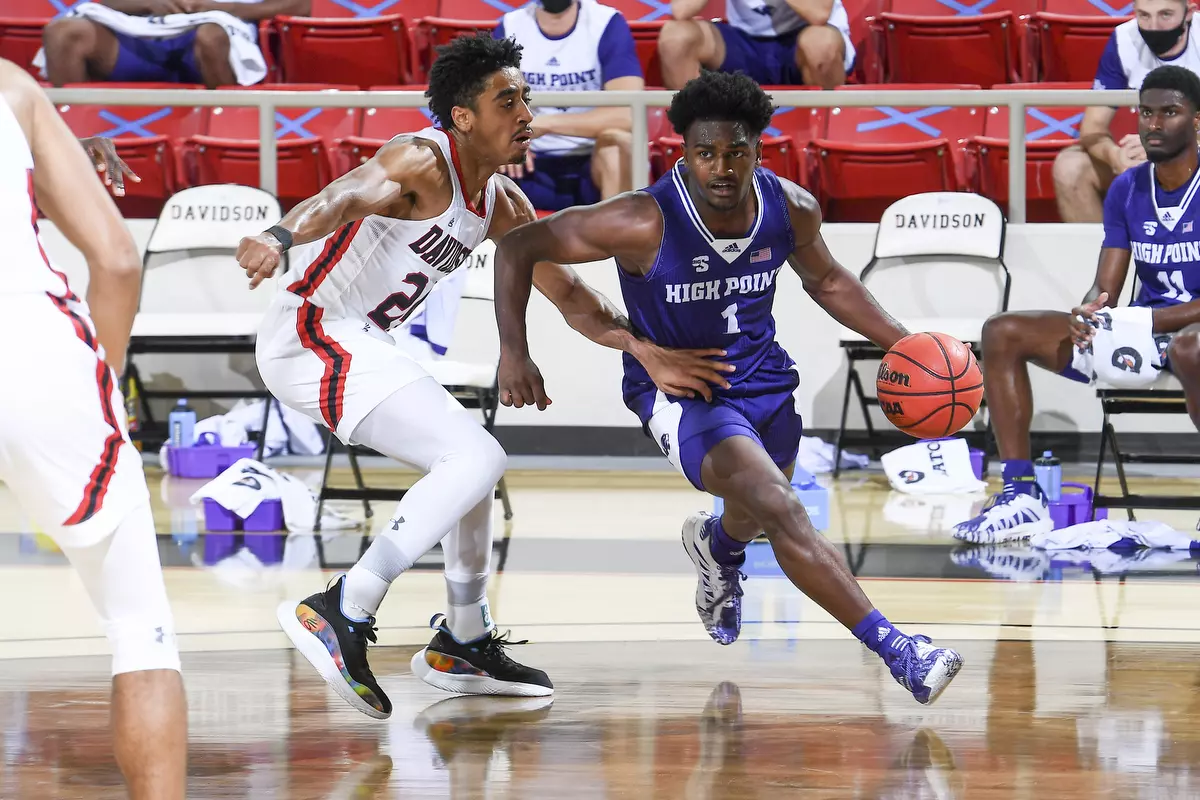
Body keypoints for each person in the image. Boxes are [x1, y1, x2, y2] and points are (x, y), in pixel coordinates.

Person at [236, 34, 730, 718]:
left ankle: (462, 639)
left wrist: (646, 349)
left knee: (469, 465)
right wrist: (280, 236)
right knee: (477, 453)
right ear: (463, 117)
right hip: (311, 330)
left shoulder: (502, 204)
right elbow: (344, 194)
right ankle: (343, 606)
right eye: (508, 100)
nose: (526, 111)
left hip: (359, 339)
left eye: (526, 97)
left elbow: (573, 299)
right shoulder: (420, 158)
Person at [491, 70, 963, 705]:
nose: (720, 166)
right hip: (684, 393)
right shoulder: (640, 220)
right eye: (705, 152)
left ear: (758, 151)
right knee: (782, 507)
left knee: (755, 515)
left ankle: (716, 548)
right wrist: (515, 352)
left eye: (735, 152)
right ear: (682, 153)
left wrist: (906, 344)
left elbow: (827, 282)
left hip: (765, 380)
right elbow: (518, 247)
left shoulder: (790, 207)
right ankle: (899, 648)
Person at [0, 58, 186, 798]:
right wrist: (98, 384)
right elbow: (114, 259)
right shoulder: (11, 85)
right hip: (35, 356)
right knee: (138, 626)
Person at [956, 64, 1200, 543]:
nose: (1152, 124)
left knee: (1192, 349)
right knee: (1002, 331)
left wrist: (1147, 320)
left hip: (1184, 334)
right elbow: (1104, 284)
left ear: (1196, 122)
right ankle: (1020, 494)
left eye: (1169, 112)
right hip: (1144, 330)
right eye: (1145, 113)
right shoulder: (1128, 187)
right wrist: (1086, 313)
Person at [1053, 0, 1200, 222]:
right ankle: (1101, 254)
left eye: (1165, 15)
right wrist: (1116, 157)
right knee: (1070, 167)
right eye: (1144, 15)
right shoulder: (1124, 40)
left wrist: (1167, 144)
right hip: (1146, 156)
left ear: (1188, 13)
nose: (1154, 26)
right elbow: (1092, 128)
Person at [494, 0, 644, 208]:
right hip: (526, 162)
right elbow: (489, 106)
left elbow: (628, 115)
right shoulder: (510, 27)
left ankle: (615, 237)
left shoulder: (607, 23)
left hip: (591, 163)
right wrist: (502, 143)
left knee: (618, 143)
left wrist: (545, 124)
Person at [40, 0, 308, 88]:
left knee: (210, 35)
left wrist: (225, 8)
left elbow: (301, 5)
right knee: (62, 33)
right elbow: (108, 3)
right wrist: (147, 3)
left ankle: (225, 128)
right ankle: (69, 136)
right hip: (139, 37)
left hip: (211, 40)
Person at [656, 0, 854, 91]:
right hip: (745, 42)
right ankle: (698, 135)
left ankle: (827, 130)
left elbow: (818, 12)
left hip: (802, 41)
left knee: (820, 45)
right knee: (676, 37)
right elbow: (681, 9)